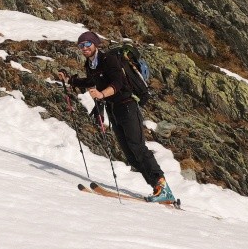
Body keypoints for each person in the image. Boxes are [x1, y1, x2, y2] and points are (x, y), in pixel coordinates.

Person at [61, 30, 173, 202]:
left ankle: (162, 186)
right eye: (81, 45)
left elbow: (117, 83)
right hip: (113, 110)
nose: (84, 48)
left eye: (87, 44)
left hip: (127, 107)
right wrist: (71, 80)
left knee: (138, 147)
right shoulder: (90, 64)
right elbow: (92, 82)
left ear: (95, 44)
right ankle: (157, 188)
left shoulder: (109, 60)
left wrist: (101, 95)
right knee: (130, 154)